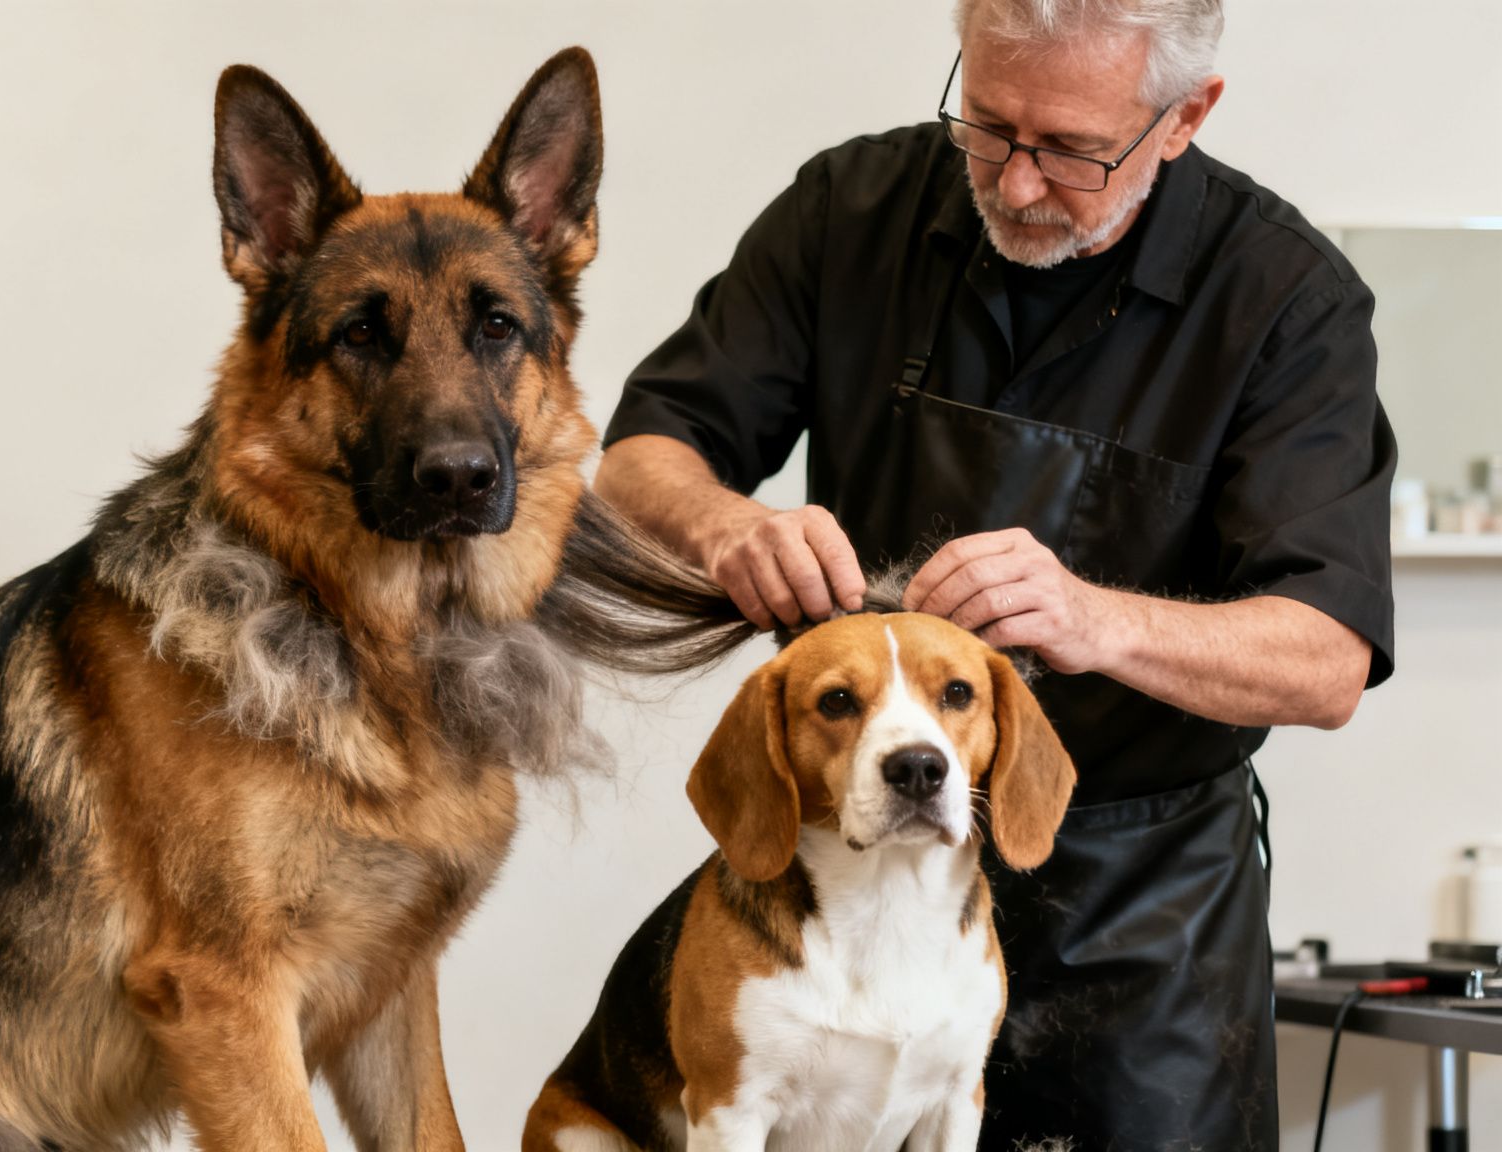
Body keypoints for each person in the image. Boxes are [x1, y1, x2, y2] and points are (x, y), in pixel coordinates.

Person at [597, 0, 1395, 1147]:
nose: (1015, 184)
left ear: (1184, 117)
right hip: (849, 876)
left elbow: (1324, 659)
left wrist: (1093, 620)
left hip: (1140, 919)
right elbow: (637, 460)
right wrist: (724, 525)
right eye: (985, 124)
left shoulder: (1284, 304)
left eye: (1069, 149)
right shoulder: (847, 213)